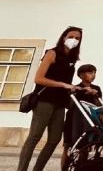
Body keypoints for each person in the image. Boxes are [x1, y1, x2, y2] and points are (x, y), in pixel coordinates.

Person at [17, 26, 83, 171]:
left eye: (77, 38)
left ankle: (37, 169)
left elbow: (66, 81)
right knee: (34, 137)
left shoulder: (71, 59)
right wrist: (63, 85)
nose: (74, 40)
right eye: (71, 36)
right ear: (64, 37)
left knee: (54, 139)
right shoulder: (52, 53)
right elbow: (39, 78)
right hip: (44, 101)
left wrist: (76, 87)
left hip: (60, 103)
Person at [61, 64, 103, 169]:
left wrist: (94, 94)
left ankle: (81, 167)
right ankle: (64, 168)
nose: (93, 75)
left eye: (94, 73)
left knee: (85, 146)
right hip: (72, 120)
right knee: (67, 147)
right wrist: (73, 93)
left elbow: (99, 106)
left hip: (87, 120)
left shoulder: (96, 88)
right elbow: (69, 106)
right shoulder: (75, 88)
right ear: (81, 75)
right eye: (90, 73)